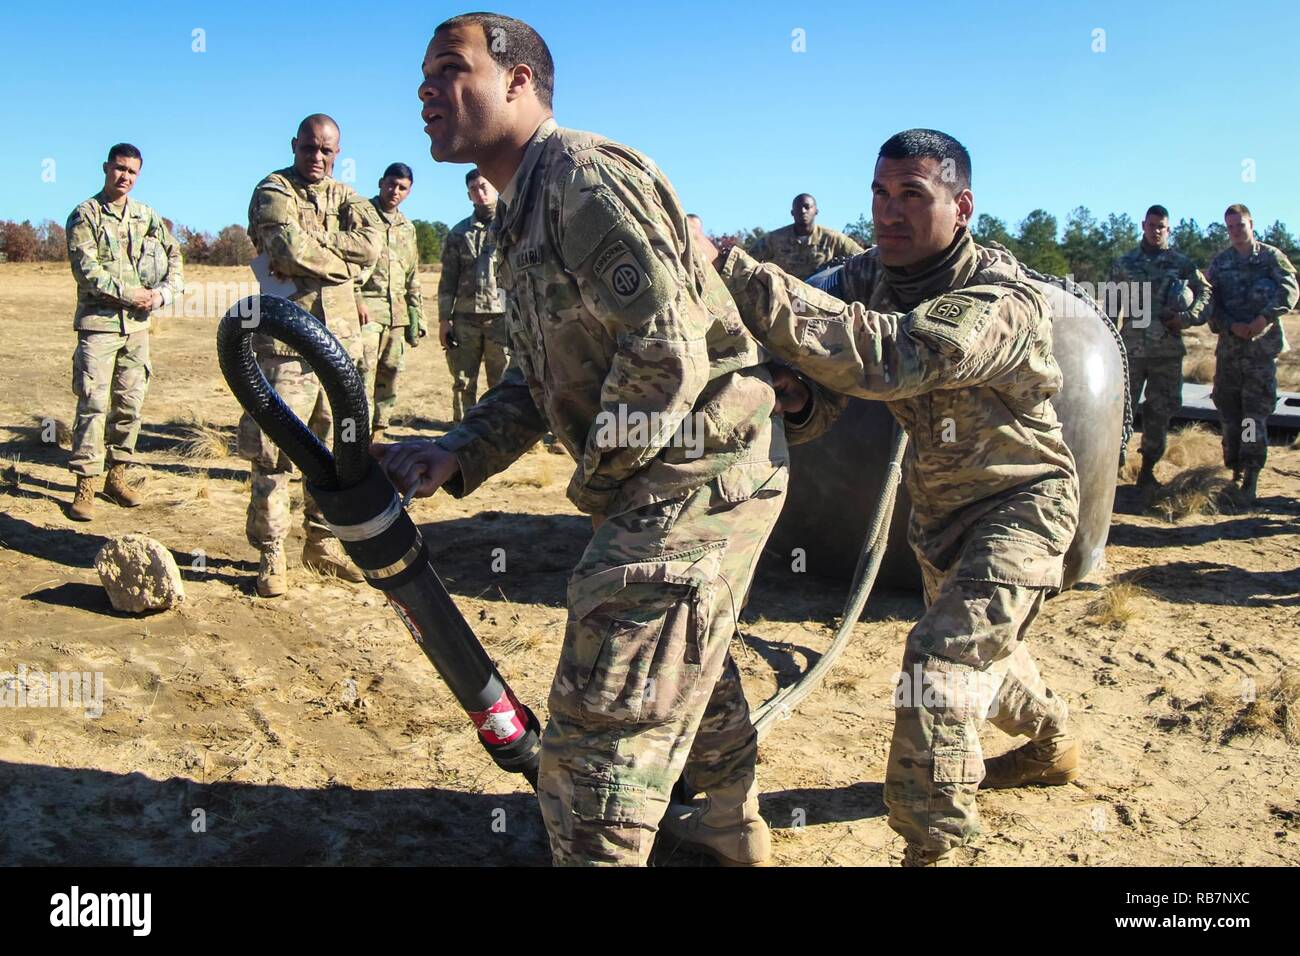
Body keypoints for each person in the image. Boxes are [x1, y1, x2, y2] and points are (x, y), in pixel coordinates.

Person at [378, 11, 811, 866]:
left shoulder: (581, 176)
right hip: (668, 468)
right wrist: (460, 449)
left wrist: (600, 485)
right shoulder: (516, 214)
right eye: (423, 75)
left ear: (517, 81)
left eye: (449, 68)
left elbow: (667, 350)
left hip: (701, 465)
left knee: (594, 736)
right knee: (690, 654)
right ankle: (723, 828)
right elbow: (540, 374)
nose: (426, 90)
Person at [701, 129, 1080, 867]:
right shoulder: (865, 277)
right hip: (939, 519)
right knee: (987, 659)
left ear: (962, 206)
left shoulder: (1000, 298)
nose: (889, 212)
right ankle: (1053, 740)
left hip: (1022, 508)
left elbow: (890, 357)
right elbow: (824, 380)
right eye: (880, 193)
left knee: (936, 665)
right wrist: (795, 392)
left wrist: (733, 265)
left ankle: (935, 849)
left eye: (913, 195)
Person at [240, 113, 382, 597]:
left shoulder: (347, 197)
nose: (317, 158)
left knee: (334, 453)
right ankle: (271, 552)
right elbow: (284, 248)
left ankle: (320, 542)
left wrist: (320, 247)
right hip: (287, 344)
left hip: (340, 345)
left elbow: (373, 246)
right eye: (309, 148)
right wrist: (338, 260)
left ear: (337, 152)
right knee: (275, 451)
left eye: (327, 150)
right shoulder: (273, 189)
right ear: (294, 144)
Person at [65, 143, 182, 521]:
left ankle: (117, 475)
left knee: (130, 403)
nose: (124, 177)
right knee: (93, 402)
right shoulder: (85, 215)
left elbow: (175, 260)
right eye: (119, 169)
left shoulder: (148, 216)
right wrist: (131, 294)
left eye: (131, 171)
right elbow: (87, 270)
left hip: (138, 328)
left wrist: (161, 296)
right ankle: (86, 482)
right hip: (98, 326)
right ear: (105, 168)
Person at [1108, 204, 1211, 491]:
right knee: (1119, 409)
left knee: (1159, 412)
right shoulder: (1124, 264)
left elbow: (1205, 291)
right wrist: (1109, 341)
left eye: (1161, 227)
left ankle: (1148, 471)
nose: (1156, 231)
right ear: (1143, 225)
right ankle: (1112, 467)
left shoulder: (1181, 264)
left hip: (1166, 353)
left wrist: (1187, 318)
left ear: (1168, 228)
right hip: (1131, 352)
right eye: (1152, 225)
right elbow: (1111, 307)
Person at [1205, 203, 1298, 501]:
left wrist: (1263, 319)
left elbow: (1290, 290)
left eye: (1240, 225)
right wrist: (1231, 325)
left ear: (1251, 224)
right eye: (1230, 227)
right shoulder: (1221, 263)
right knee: (1230, 414)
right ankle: (1234, 469)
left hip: (1260, 353)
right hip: (1230, 351)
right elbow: (1211, 302)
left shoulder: (1271, 258)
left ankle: (1251, 476)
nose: (1235, 231)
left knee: (1253, 416)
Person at [360, 162, 424, 442]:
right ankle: (354, 436)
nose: (394, 191)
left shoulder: (408, 228)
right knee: (361, 374)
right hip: (366, 313)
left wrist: (417, 319)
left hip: (397, 316)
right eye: (391, 184)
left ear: (409, 192)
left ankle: (378, 434)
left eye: (402, 188)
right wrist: (355, 299)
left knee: (391, 375)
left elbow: (413, 275)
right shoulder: (361, 214)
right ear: (380, 182)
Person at [438, 168, 509, 422]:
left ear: (495, 186)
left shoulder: (511, 224)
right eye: (474, 189)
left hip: (502, 318)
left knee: (502, 381)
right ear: (469, 196)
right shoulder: (459, 233)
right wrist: (444, 320)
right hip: (465, 319)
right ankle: (462, 429)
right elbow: (448, 280)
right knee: (463, 380)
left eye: (484, 186)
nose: (480, 193)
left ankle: (499, 430)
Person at [750, 193, 864, 279]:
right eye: (798, 208)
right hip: (784, 298)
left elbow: (863, 258)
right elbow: (749, 260)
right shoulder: (774, 239)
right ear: (792, 212)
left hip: (820, 298)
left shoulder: (833, 239)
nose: (803, 211)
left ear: (816, 211)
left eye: (807, 207)